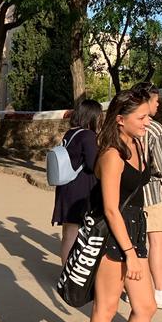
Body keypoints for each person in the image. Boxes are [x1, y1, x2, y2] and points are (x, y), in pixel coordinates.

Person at [89, 88, 162, 322]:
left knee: (145, 306)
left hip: (135, 229)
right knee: (106, 309)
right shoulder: (111, 154)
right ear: (120, 120)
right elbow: (110, 208)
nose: (148, 121)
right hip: (114, 236)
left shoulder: (138, 143)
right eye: (142, 117)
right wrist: (130, 254)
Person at [51, 99, 103, 264]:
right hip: (80, 189)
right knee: (75, 233)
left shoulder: (71, 133)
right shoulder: (88, 135)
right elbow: (92, 164)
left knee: (68, 234)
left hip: (67, 186)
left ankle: (65, 270)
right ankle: (68, 274)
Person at [130, 81, 162, 309]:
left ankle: (130, 288)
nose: (158, 104)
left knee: (133, 242)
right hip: (151, 192)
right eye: (155, 100)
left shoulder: (123, 124)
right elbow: (161, 166)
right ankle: (160, 290)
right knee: (156, 242)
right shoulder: (155, 129)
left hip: (128, 192)